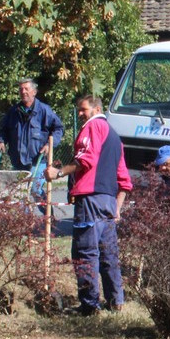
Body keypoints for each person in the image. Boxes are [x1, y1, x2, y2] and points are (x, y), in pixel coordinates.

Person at [44, 95, 132, 316]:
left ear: (97, 109)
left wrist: (58, 172)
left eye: (83, 109)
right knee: (108, 254)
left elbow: (85, 159)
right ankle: (115, 301)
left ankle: (89, 306)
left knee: (85, 254)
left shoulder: (92, 128)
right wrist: (117, 207)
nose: (80, 114)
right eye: (79, 110)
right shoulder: (114, 137)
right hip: (108, 202)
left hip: (91, 201)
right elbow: (124, 180)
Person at [0, 78, 64, 207]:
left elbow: (58, 129)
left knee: (35, 190)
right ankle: (26, 224)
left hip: (37, 161)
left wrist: (50, 144)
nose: (23, 91)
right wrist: (1, 141)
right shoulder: (13, 112)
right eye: (21, 89)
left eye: (26, 89)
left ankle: (49, 219)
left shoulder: (44, 110)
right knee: (20, 194)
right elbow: (3, 129)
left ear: (34, 92)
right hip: (18, 161)